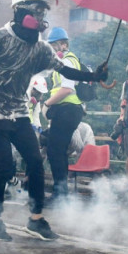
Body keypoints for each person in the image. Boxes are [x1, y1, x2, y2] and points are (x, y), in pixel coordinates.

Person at [0, 0, 107, 242]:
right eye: (35, 10)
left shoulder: (42, 49)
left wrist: (94, 76)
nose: (40, 16)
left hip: (20, 113)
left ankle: (35, 219)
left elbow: (67, 71)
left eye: (42, 11)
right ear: (19, 12)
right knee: (4, 167)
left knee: (34, 161)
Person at [43, 26, 87, 201]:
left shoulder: (67, 61)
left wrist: (47, 103)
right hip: (65, 111)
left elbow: (67, 89)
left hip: (67, 110)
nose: (52, 50)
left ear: (62, 44)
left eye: (53, 46)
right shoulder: (64, 61)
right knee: (57, 151)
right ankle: (61, 194)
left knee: (56, 151)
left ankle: (60, 195)